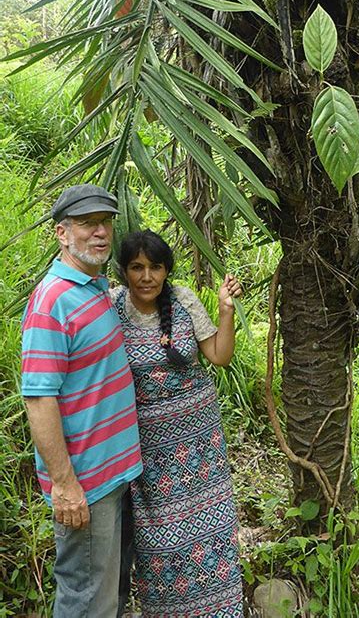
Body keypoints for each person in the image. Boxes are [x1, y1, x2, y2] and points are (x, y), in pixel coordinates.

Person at [21, 184, 143, 618]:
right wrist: (65, 485)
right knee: (86, 600)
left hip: (116, 474)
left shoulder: (94, 288)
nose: (101, 232)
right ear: (62, 233)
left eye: (106, 222)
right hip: (86, 486)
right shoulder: (51, 301)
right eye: (88, 223)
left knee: (110, 594)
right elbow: (38, 399)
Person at [113, 229, 244, 618]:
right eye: (137, 267)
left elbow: (219, 356)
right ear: (123, 271)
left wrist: (225, 309)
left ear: (167, 270)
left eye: (155, 267)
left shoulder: (183, 300)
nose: (147, 276)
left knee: (211, 528)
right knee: (158, 539)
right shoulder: (111, 306)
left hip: (199, 442)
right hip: (148, 445)